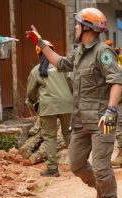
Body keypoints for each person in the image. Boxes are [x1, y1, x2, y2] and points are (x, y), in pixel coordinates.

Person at [26, 8, 122, 198]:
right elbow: (60, 62)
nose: (76, 28)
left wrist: (111, 110)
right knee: (76, 165)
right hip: (80, 121)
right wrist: (40, 43)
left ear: (87, 27)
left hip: (102, 120)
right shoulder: (79, 51)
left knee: (102, 167)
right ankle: (101, 191)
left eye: (78, 25)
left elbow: (116, 82)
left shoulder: (103, 52)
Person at [26, 40, 72, 177]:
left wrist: (34, 102)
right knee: (68, 133)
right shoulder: (63, 65)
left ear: (38, 53)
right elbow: (73, 83)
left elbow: (31, 92)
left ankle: (52, 169)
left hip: (48, 106)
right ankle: (79, 163)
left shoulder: (36, 70)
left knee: (50, 137)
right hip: (67, 104)